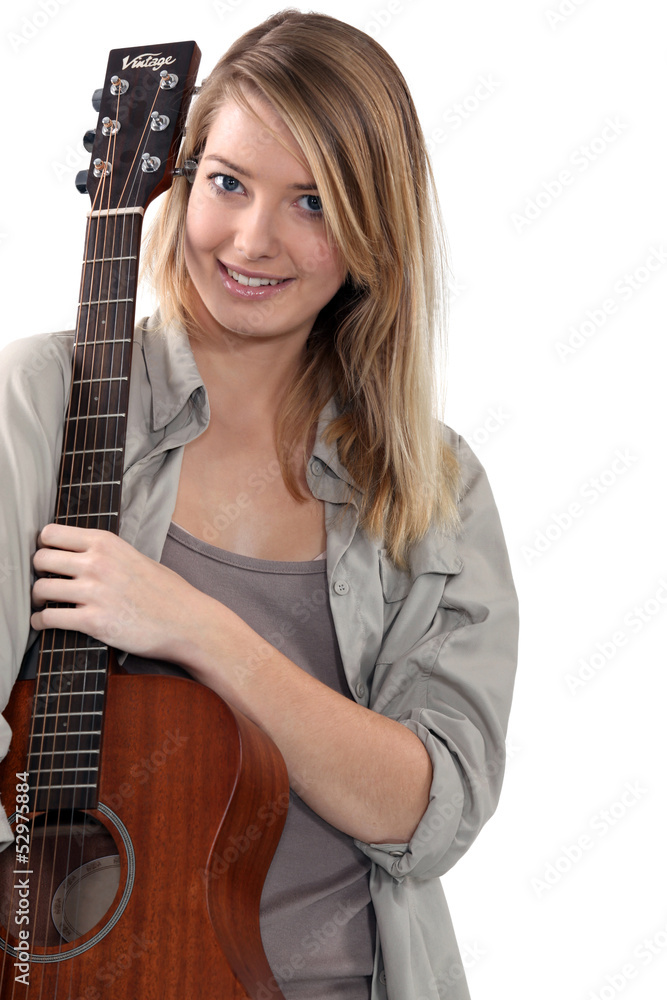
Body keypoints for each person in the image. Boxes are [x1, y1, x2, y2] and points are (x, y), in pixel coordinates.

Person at [0, 9, 519, 999]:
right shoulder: (43, 400)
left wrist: (200, 629)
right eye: (228, 183)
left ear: (372, 233)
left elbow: (430, 812)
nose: (252, 240)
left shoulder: (434, 486)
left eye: (312, 203)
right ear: (182, 176)